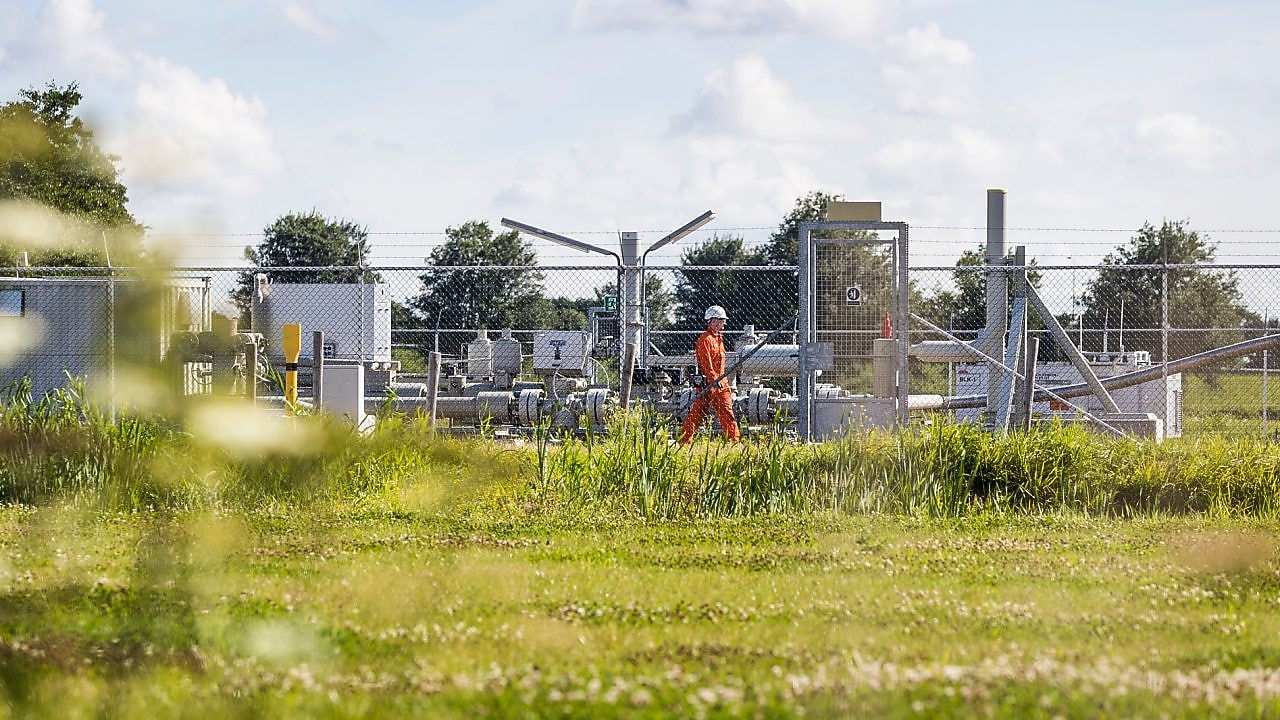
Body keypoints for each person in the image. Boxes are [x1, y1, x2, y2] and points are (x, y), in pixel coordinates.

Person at [678, 305, 741, 444]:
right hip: (710, 384)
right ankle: (684, 441)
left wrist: (720, 381)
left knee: (727, 413)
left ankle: (733, 442)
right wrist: (714, 380)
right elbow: (706, 364)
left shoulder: (719, 339)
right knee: (697, 415)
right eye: (719, 320)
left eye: (723, 321)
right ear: (712, 321)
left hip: (720, 383)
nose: (722, 323)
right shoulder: (705, 340)